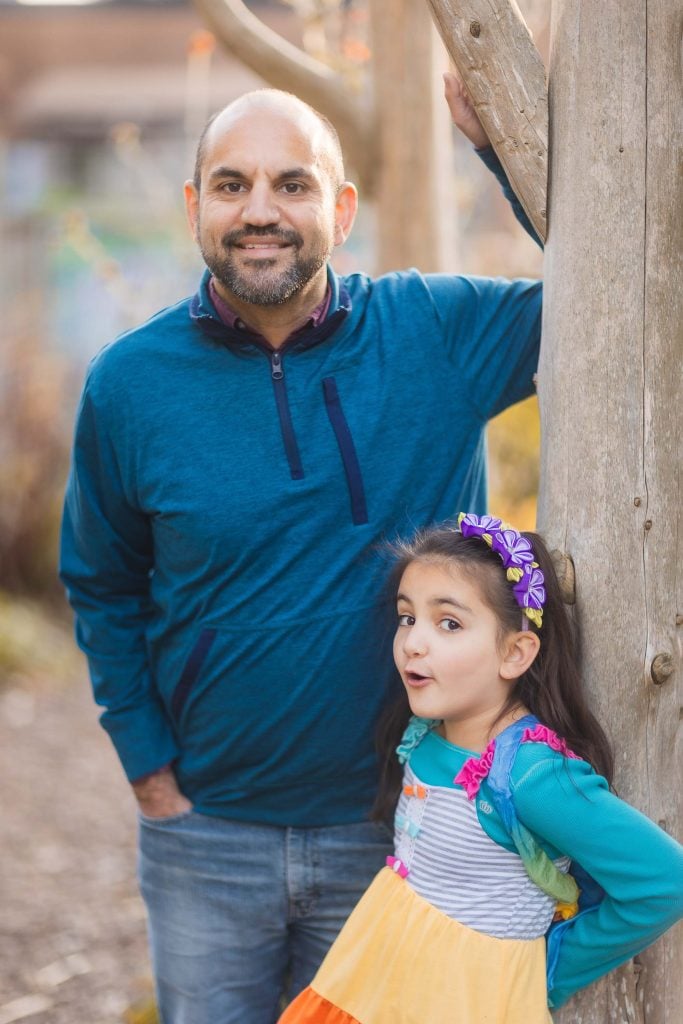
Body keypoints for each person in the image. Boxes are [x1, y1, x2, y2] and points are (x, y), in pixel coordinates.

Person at [60, 79, 543, 1024]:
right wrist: (147, 768)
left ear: (341, 207)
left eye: (292, 184)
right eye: (232, 185)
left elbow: (612, 276)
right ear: (196, 207)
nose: (261, 213)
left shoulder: (437, 335)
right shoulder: (129, 385)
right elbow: (102, 582)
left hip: (404, 826)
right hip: (206, 834)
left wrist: (502, 149)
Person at [279, 514, 683, 1024]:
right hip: (382, 984)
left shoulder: (531, 775)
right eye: (407, 618)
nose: (413, 642)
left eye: (448, 623)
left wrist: (543, 971)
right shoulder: (428, 734)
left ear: (515, 652)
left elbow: (665, 882)